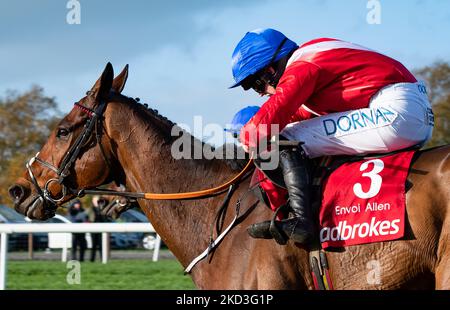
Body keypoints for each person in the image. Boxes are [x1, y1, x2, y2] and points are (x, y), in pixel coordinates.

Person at [230, 28, 434, 245]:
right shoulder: (312, 56)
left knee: (283, 139)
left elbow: (261, 129)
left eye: (257, 84)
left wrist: (242, 148)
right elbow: (296, 115)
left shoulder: (302, 65)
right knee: (289, 131)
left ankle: (302, 221)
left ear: (271, 69)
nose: (261, 93)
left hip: (397, 113)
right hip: (410, 112)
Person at [88, 196, 108, 262]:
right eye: (95, 200)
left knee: (101, 245)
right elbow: (91, 218)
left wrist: (100, 208)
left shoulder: (102, 208)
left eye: (97, 200)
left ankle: (103, 259)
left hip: (101, 229)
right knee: (93, 245)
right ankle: (92, 260)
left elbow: (104, 217)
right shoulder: (91, 209)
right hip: (93, 229)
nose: (97, 202)